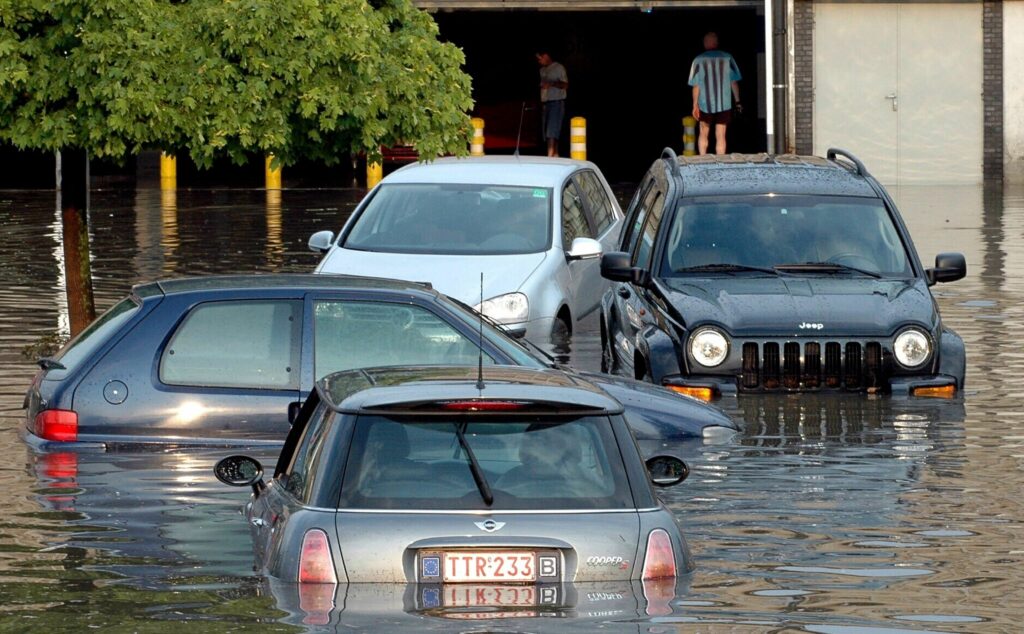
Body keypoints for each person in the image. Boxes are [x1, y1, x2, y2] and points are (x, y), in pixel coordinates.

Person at [688, 32, 742, 155]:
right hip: (724, 103)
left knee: (703, 131)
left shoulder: (698, 60)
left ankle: (702, 159)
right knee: (721, 134)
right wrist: (738, 101)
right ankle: (720, 160)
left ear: (707, 43)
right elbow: (733, 82)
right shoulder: (728, 58)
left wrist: (694, 105)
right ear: (716, 43)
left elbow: (696, 85)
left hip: (704, 104)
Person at [536, 51, 568, 157]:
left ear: (546, 56)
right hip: (546, 102)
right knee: (548, 130)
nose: (539, 61)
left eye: (540, 58)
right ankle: (555, 154)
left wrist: (551, 84)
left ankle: (549, 155)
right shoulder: (542, 70)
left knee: (552, 129)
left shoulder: (558, 67)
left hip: (556, 102)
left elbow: (565, 84)